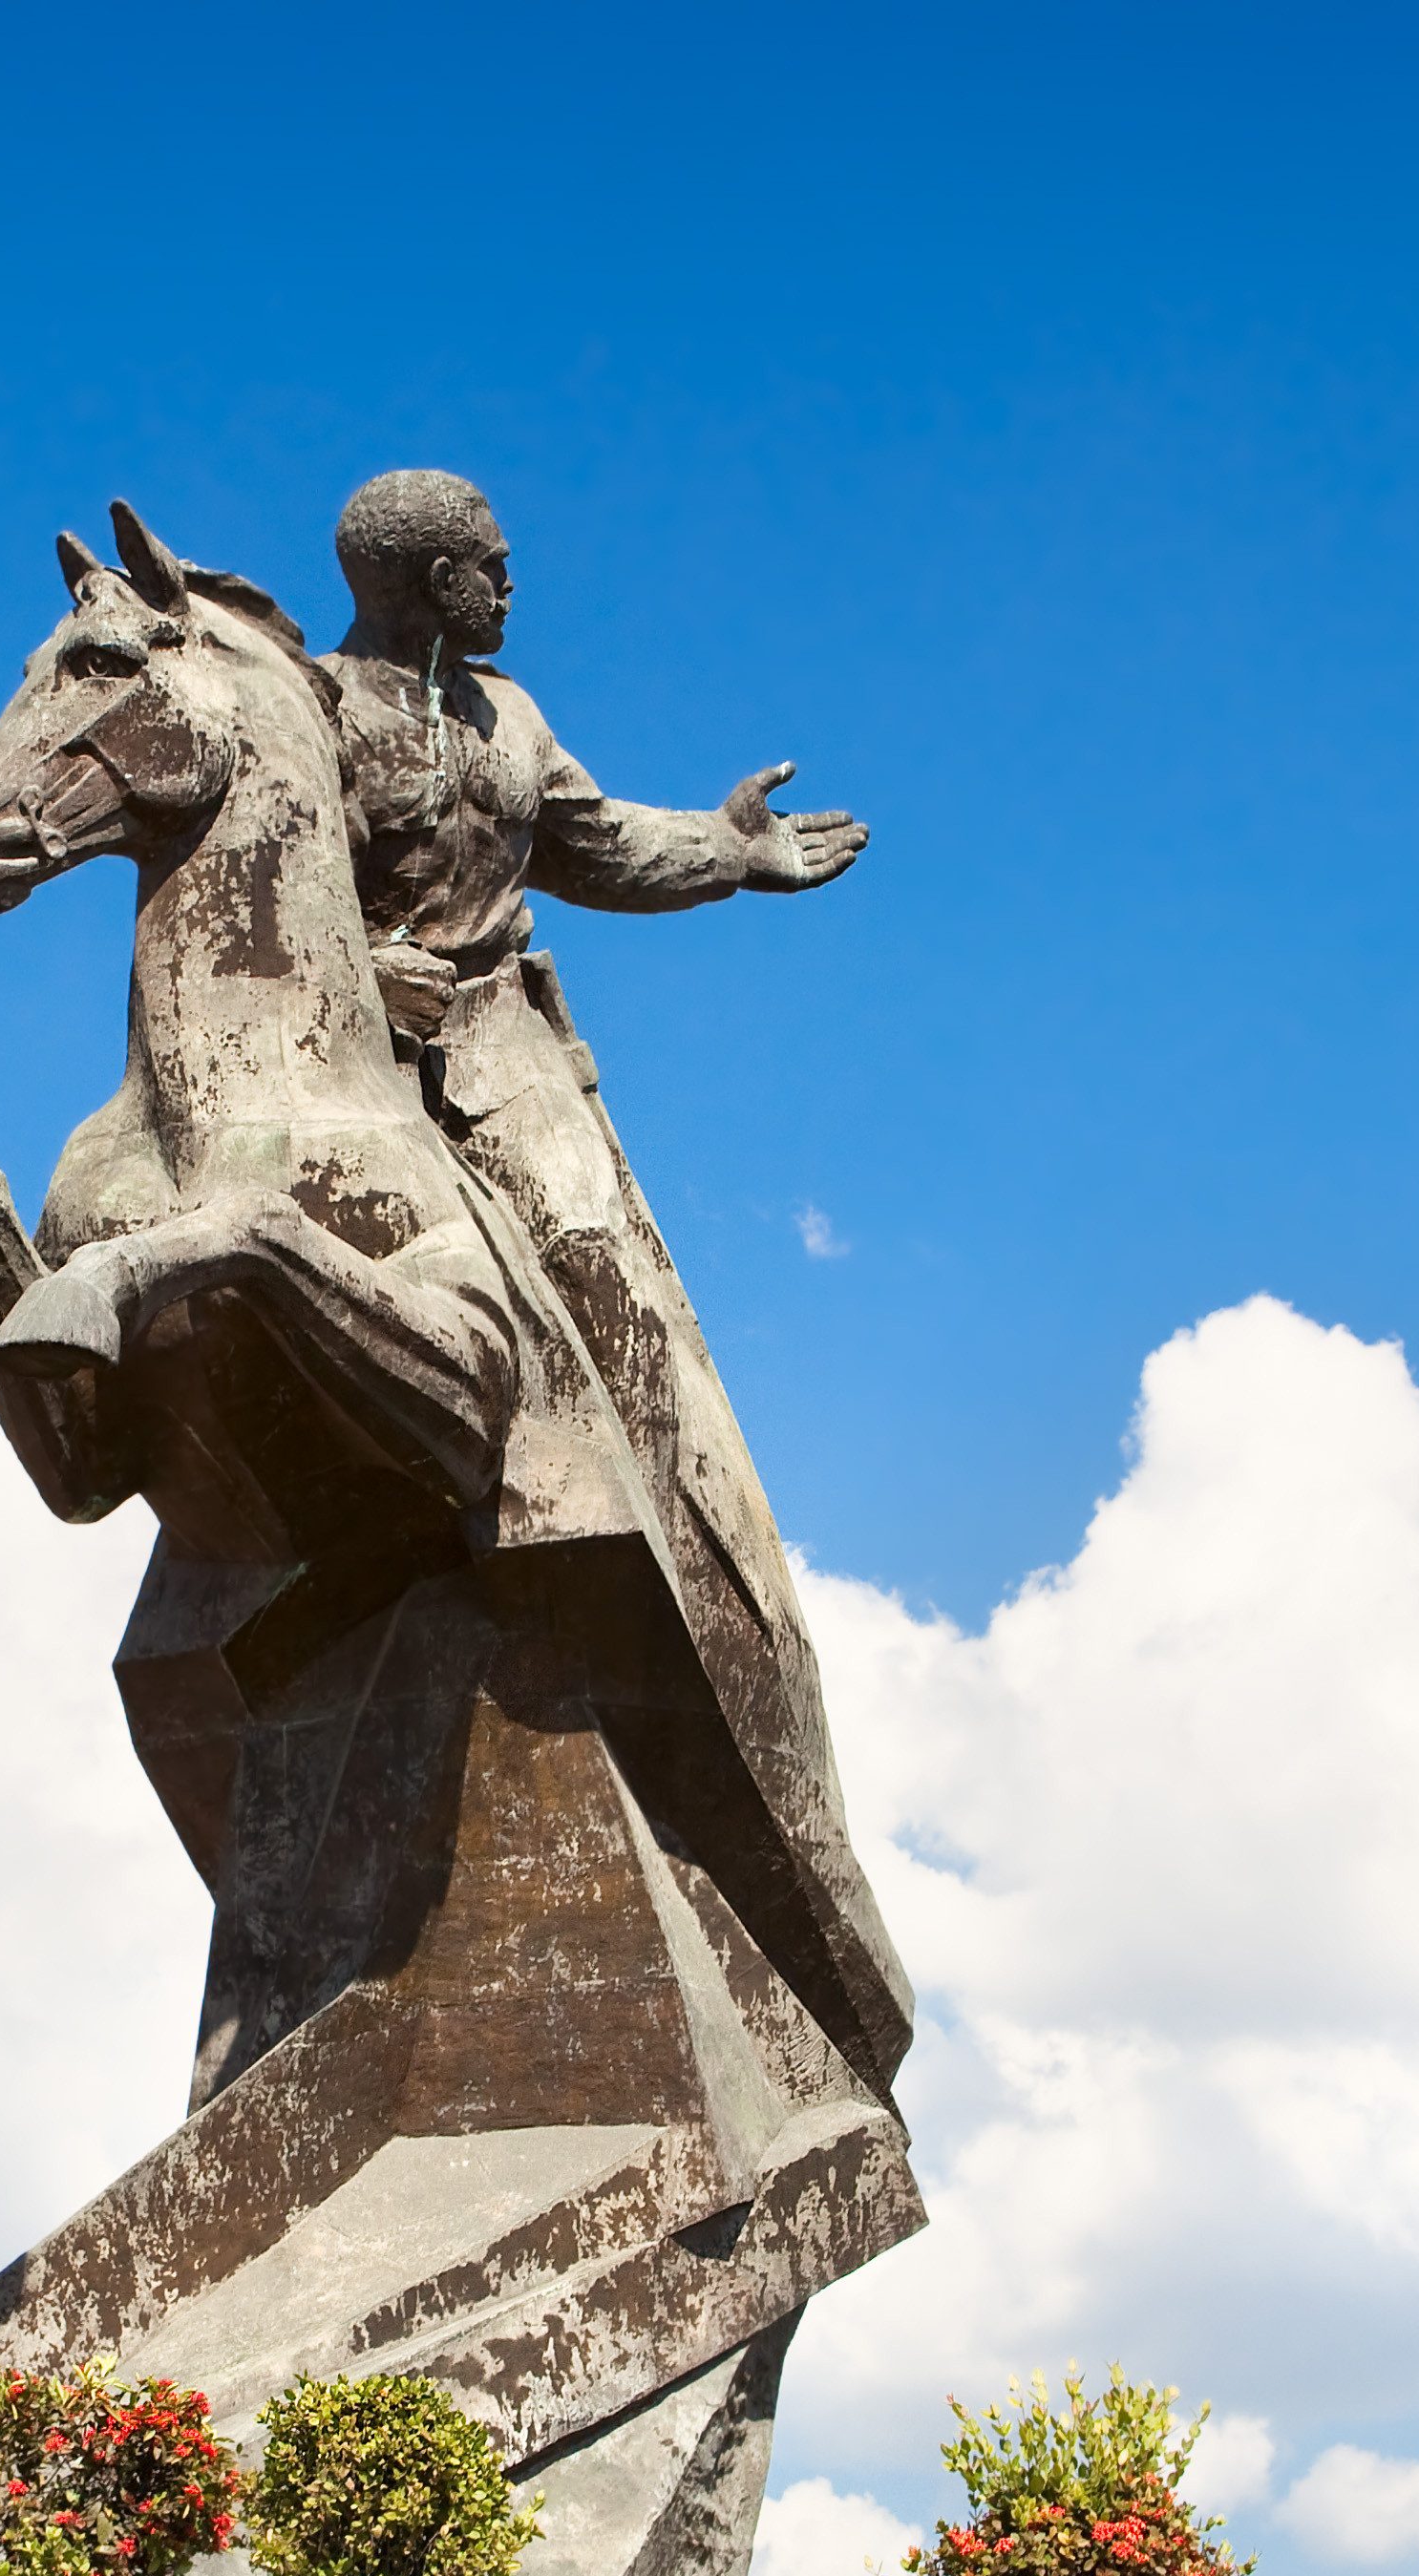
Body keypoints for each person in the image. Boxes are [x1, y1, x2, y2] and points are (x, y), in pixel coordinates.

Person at [320, 467, 914, 2101]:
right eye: (487, 567)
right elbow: (251, 883)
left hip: (508, 1064)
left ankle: (658, 1508)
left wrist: (728, 854)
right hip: (359, 1060)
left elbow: (592, 843)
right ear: (421, 574)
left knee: (629, 1325)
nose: (512, 588)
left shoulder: (508, 714)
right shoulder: (308, 708)